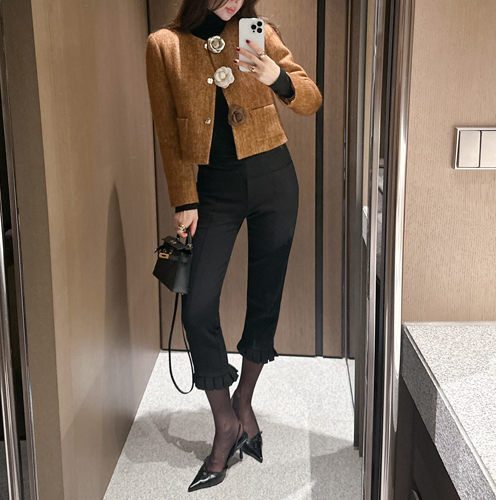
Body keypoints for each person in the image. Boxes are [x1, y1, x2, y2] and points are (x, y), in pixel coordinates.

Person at [146, 0, 322, 492]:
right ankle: (226, 422)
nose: (231, 0)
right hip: (213, 191)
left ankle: (245, 401)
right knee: (198, 308)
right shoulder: (165, 45)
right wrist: (184, 198)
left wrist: (277, 78)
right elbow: (167, 129)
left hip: (274, 180)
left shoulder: (254, 31)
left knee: (265, 299)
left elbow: (310, 99)